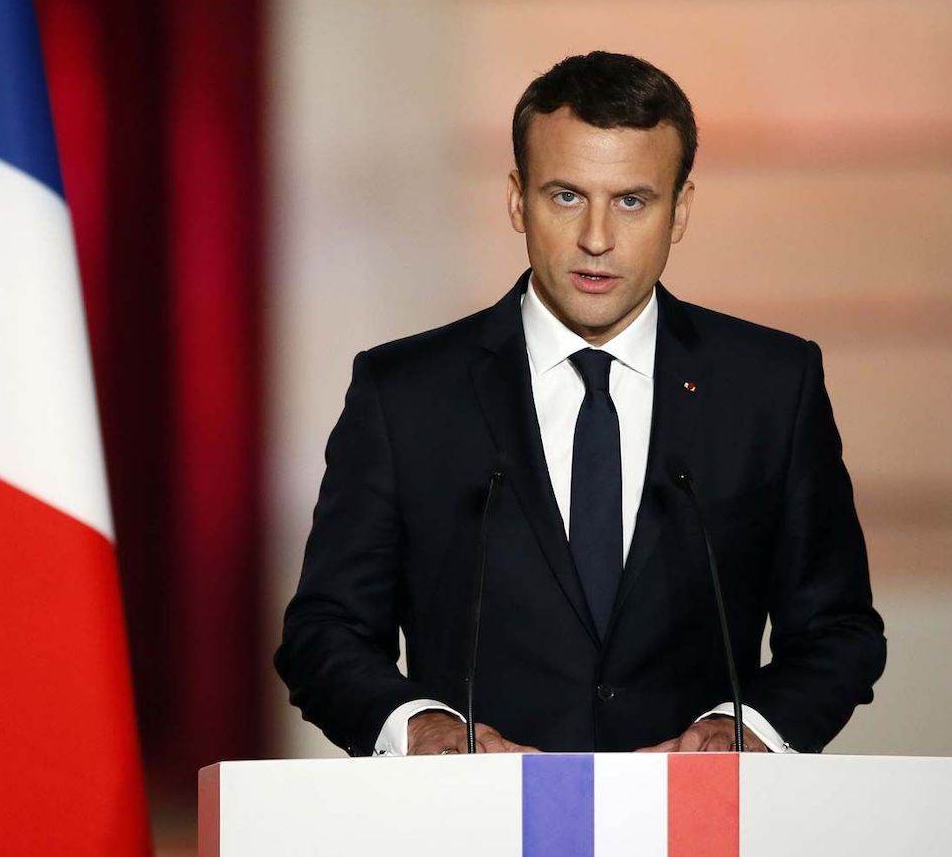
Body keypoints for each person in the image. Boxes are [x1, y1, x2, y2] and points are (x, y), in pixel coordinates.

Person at [274, 51, 886, 757]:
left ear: (680, 210)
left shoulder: (770, 386)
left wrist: (744, 731)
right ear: (517, 200)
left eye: (632, 201)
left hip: (695, 811)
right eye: (566, 196)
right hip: (479, 810)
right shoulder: (406, 394)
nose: (597, 239)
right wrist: (421, 727)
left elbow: (838, 632)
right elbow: (326, 632)